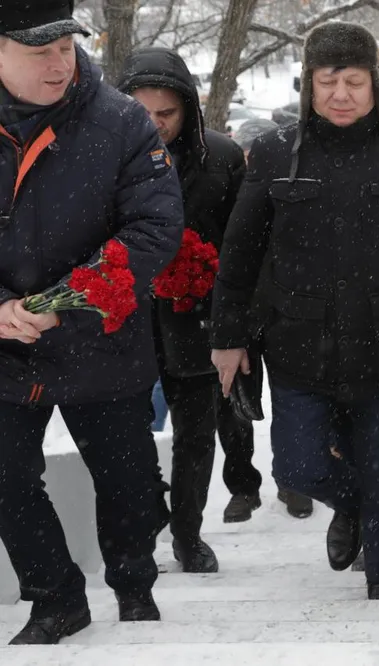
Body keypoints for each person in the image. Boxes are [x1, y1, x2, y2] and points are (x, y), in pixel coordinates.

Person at [210, 22, 379, 601]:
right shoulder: (276, 152)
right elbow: (241, 252)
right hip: (297, 344)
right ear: (309, 84)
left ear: (376, 84)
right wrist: (229, 335)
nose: (341, 94)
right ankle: (354, 508)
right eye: (327, 81)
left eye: (354, 81)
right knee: (299, 469)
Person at [0, 3, 183, 644]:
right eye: (38, 50)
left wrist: (59, 304)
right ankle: (55, 597)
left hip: (101, 338)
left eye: (66, 47)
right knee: (5, 476)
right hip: (4, 345)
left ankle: (134, 585)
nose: (59, 63)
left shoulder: (120, 120)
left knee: (127, 478)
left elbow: (155, 227)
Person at [118, 48, 255, 574]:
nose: (154, 125)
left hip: (198, 319)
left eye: (167, 114)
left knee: (196, 436)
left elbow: (241, 248)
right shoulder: (103, 154)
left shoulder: (221, 159)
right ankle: (150, 506)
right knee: (125, 432)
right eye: (142, 112)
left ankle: (187, 534)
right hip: (126, 322)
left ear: (188, 109)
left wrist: (231, 318)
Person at [231, 116, 314, 520]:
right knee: (236, 402)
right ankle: (243, 484)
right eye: (246, 155)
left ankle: (293, 482)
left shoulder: (290, 186)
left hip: (283, 309)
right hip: (240, 312)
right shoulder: (229, 187)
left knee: (289, 399)